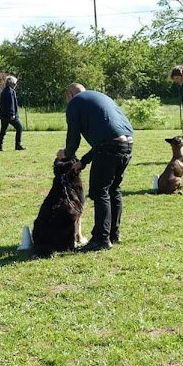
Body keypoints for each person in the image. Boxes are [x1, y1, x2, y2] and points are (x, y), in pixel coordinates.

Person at [60, 84, 133, 252]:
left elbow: (73, 137)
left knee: (100, 191)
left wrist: (67, 154)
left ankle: (101, 239)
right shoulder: (99, 98)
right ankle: (114, 234)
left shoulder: (75, 103)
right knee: (114, 189)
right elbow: (107, 138)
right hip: (128, 143)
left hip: (109, 146)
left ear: (70, 94)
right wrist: (83, 161)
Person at [0, 75, 25, 152]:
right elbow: (11, 104)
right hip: (10, 115)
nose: (15, 85)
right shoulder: (10, 91)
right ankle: (18, 145)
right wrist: (12, 114)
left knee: (3, 131)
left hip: (3, 115)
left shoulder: (4, 91)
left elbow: (3, 104)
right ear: (11, 83)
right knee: (19, 128)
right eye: (14, 83)